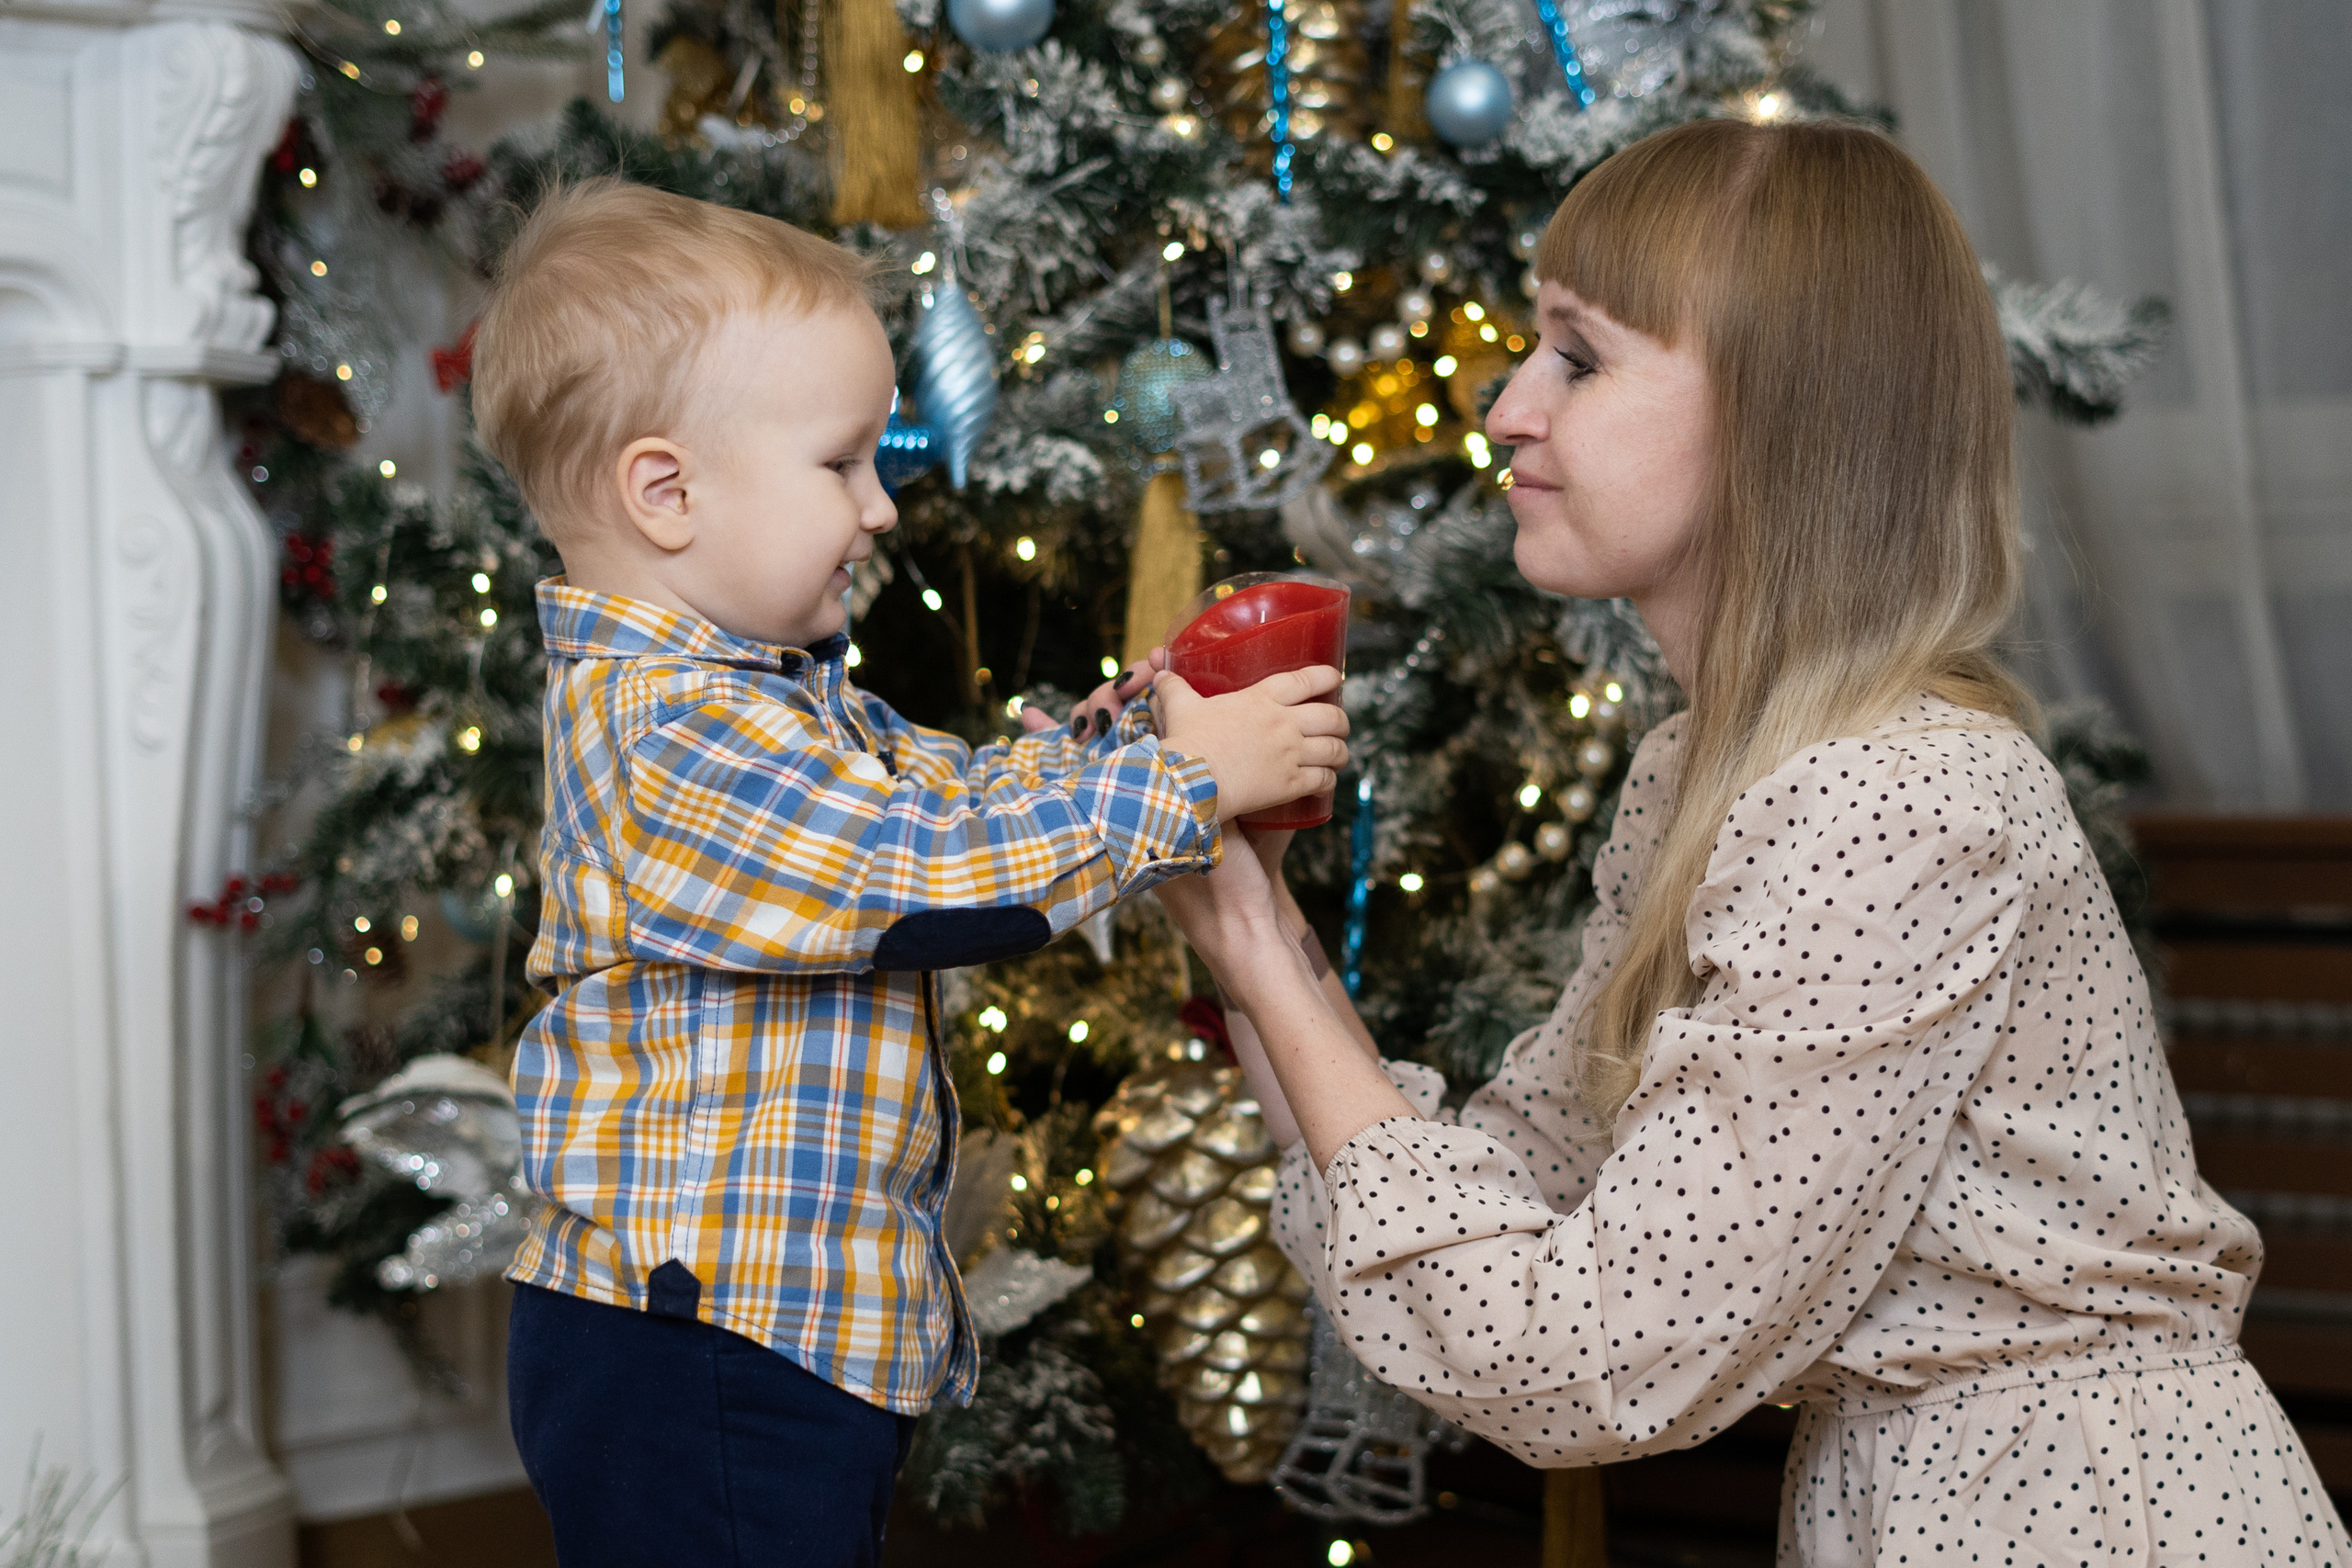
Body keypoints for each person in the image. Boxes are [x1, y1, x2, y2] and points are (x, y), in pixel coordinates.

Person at [1151, 119, 2351, 1565]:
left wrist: (1268, 971)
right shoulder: (1708, 772)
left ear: (1787, 415)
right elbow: (1514, 1195)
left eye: (1579, 359)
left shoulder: (1893, 801)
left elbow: (1584, 1357)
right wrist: (1254, 931)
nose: (1507, 406)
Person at [469, 178, 1347, 1567]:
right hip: (694, 1344)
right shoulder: (668, 732)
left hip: (756, 1331)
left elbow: (950, 793)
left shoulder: (774, 701)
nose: (880, 508)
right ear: (665, 491)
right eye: (842, 464)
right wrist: (1187, 784)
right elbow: (916, 878)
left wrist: (1118, 739)